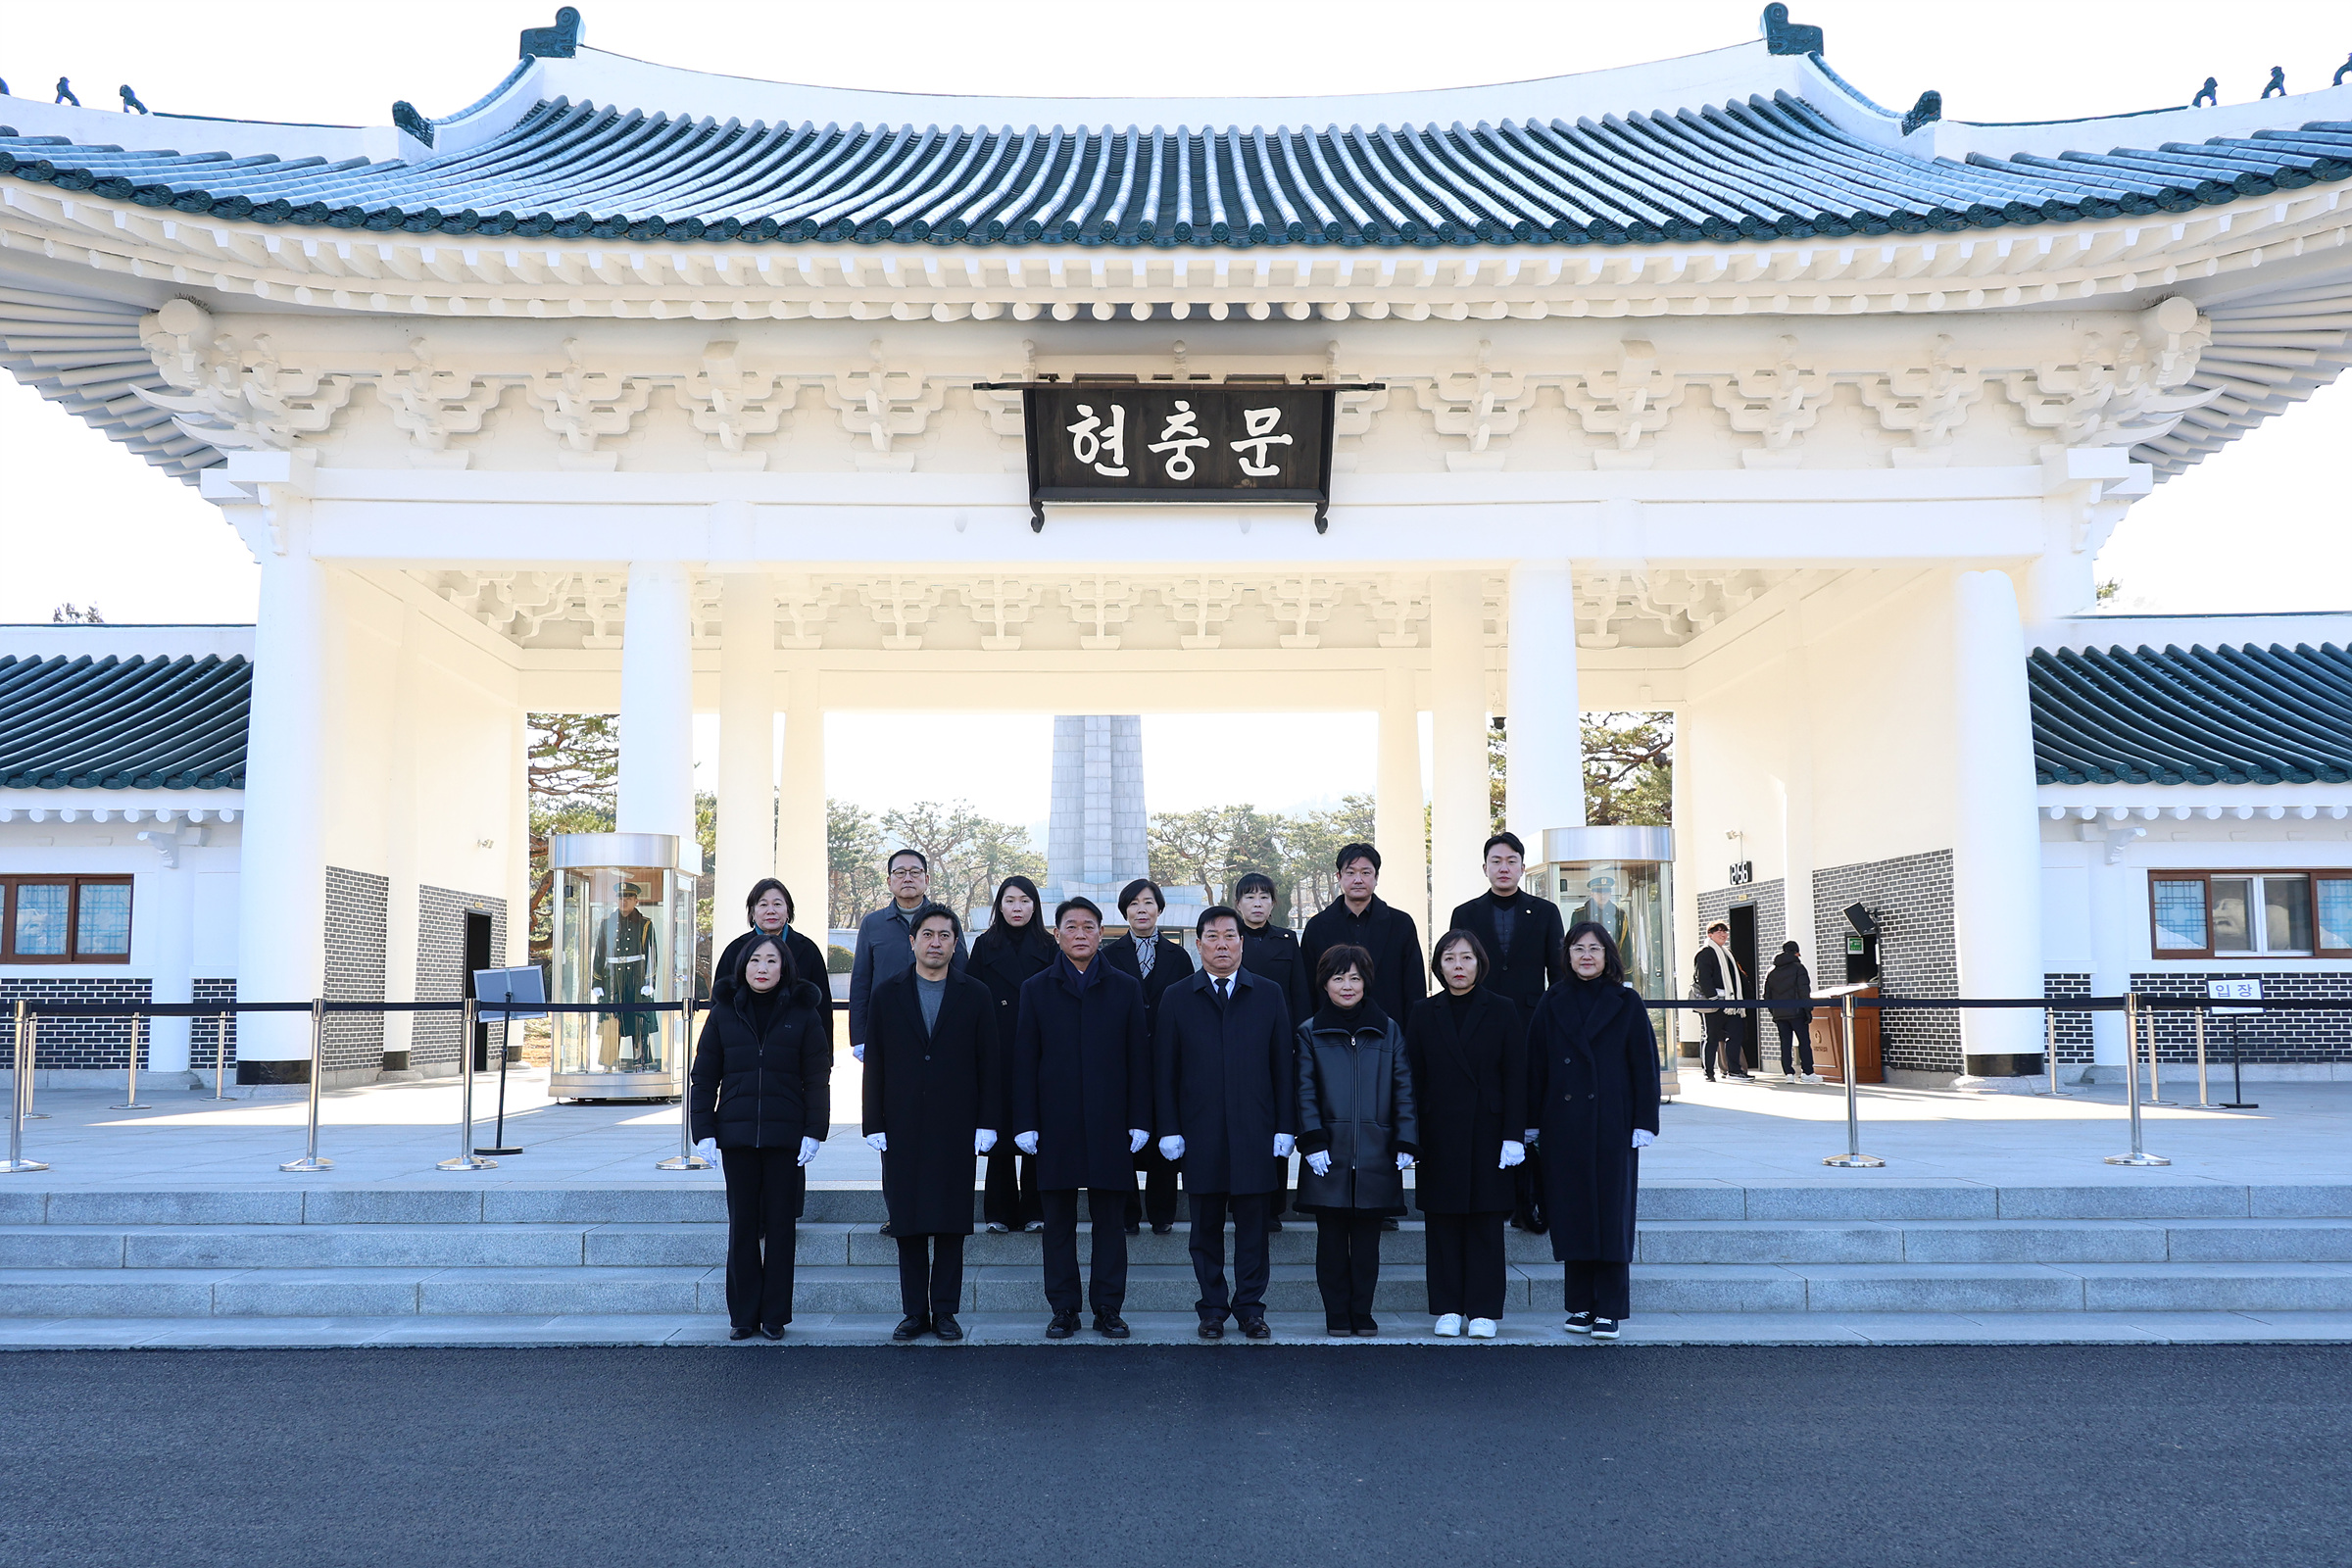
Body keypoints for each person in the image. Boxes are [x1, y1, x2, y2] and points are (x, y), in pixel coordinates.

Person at [1010, 898, 1152, 1340]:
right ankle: (1064, 1308)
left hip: (1110, 1122)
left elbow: (1138, 1059)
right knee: (1058, 1223)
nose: (1080, 934)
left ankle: (1108, 1307)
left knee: (1111, 1221)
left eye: (1089, 926)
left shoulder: (1126, 986)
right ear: (1057, 935)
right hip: (1056, 1123)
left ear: (1100, 933)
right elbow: (1025, 1060)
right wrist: (1025, 1121)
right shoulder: (1036, 987)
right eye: (1070, 926)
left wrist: (1140, 1119)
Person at [1153, 905, 1296, 1340]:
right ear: (1197, 945)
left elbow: (1282, 1067)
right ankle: (1212, 1308)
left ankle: (1251, 1308)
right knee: (1205, 1229)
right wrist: (1169, 1128)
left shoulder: (1268, 993)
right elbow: (1165, 1070)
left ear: (1242, 942)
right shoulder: (1177, 996)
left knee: (1254, 1228)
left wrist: (1285, 1126)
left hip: (1255, 1131)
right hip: (1201, 1133)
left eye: (1230, 936)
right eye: (1212, 937)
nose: (1222, 944)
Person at [861, 905, 1001, 1343]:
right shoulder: (888, 993)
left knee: (950, 1221)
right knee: (907, 1220)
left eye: (944, 935)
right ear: (912, 941)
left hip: (956, 1123)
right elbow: (876, 1064)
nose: (935, 942)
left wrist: (988, 1122)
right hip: (900, 1123)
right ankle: (913, 1313)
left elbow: (989, 1063)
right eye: (928, 934)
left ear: (955, 943)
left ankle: (945, 1312)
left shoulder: (975, 993)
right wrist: (872, 1121)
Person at [687, 933, 831, 1340]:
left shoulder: (803, 1014)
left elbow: (817, 1078)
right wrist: (705, 1132)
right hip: (736, 1133)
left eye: (771, 961)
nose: (762, 969)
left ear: (784, 967)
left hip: (786, 1135)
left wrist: (814, 1131)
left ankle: (774, 1316)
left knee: (782, 1227)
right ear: (743, 967)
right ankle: (743, 1315)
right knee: (744, 1226)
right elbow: (704, 1076)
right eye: (755, 961)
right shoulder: (724, 1013)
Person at [1527, 921, 1662, 1341]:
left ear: (1608, 956)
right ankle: (1581, 1306)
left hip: (1613, 1123)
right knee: (1573, 1213)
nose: (1586, 956)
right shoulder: (1552, 1000)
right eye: (1578, 948)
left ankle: (1611, 1309)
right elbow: (1536, 1066)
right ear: (1566, 956)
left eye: (1595, 949)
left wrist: (1645, 1121)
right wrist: (1530, 1121)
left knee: (1611, 1212)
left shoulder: (1626, 1001)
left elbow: (1645, 1066)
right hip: (1562, 1124)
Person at [1406, 930, 1527, 1340]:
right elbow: (1413, 1079)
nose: (1458, 967)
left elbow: (1515, 1076)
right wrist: (1410, 1136)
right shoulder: (1423, 1012)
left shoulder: (1503, 1009)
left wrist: (1515, 1134)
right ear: (1438, 966)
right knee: (1442, 1221)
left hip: (1489, 1130)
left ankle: (1484, 1309)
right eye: (1450, 959)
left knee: (1485, 1223)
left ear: (1480, 963)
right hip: (1439, 1129)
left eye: (1466, 959)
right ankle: (1447, 1308)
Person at [1294, 944, 1418, 1336]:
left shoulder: (1389, 1029)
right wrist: (1311, 1141)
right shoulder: (1309, 1032)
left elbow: (1404, 1088)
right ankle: (1336, 1313)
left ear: (1366, 982)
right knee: (1330, 1242)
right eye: (1338, 978)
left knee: (1367, 1244)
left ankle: (1361, 1311)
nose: (1347, 986)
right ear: (1324, 983)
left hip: (1375, 1153)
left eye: (1354, 978)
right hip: (1328, 1153)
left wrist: (1405, 1140)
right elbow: (1305, 1091)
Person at [1446, 832, 1564, 1234]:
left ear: (1522, 867)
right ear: (1485, 868)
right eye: (1495, 861)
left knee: (1528, 1111)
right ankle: (1494, 1195)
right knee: (1489, 1110)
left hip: (1532, 1023)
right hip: (1481, 1024)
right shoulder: (1465, 913)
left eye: (1511, 861)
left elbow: (1558, 973)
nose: (1503, 867)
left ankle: (1529, 1201)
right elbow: (1457, 969)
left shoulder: (1546, 912)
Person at [1104, 877, 1194, 1235]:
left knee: (1164, 1128)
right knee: (1122, 1132)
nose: (1142, 909)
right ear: (1125, 911)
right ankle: (1127, 1213)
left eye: (1148, 903)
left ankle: (1162, 1212)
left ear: (1159, 909)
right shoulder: (1108, 955)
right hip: (1122, 1058)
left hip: (1166, 1055)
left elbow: (1189, 1007)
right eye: (1134, 904)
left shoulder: (1179, 955)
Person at [969, 875, 1054, 1233]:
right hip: (997, 1046)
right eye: (1009, 900)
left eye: (1024, 900)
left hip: (1040, 1046)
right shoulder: (984, 945)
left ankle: (1035, 1209)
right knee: (999, 1126)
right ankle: (999, 1211)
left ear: (1034, 906)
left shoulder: (1050, 946)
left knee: (1038, 1129)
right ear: (998, 906)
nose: (1016, 908)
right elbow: (971, 996)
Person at [1234, 870, 1308, 1230]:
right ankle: (1240, 1200)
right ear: (1238, 904)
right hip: (1235, 1048)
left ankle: (1273, 1207)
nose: (1258, 903)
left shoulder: (1287, 940)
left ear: (1274, 904)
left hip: (1278, 1048)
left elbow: (1299, 997)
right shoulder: (1229, 940)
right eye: (1250, 897)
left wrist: (1299, 1044)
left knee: (1277, 1123)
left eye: (1264, 897)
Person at [849, 849, 967, 1064]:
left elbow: (961, 971)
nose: (908, 878)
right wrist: (859, 1038)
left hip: (938, 1026)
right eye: (900, 872)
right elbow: (861, 982)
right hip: (887, 1026)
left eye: (915, 872)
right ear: (889, 880)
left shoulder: (947, 921)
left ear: (926, 879)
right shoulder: (872, 924)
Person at [1302, 844, 1427, 1030]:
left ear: (1376, 877)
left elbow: (1414, 986)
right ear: (1339, 877)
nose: (1358, 880)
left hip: (1388, 1030)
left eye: (1366, 873)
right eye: (1350, 873)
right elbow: (1307, 987)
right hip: (1331, 1033)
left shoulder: (1401, 924)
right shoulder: (1317, 926)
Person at [711, 878, 835, 1038]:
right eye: (763, 905)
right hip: (745, 1043)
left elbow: (823, 1008)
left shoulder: (808, 950)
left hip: (795, 1044)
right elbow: (719, 1006)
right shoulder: (735, 950)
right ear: (752, 912)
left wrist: (824, 1056)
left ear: (788, 910)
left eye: (777, 904)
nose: (771, 911)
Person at [592, 879, 660, 1071]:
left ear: (636, 900)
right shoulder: (607, 923)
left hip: (636, 979)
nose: (624, 901)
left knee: (639, 1021)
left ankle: (642, 1062)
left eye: (629, 898)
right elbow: (599, 954)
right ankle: (608, 1064)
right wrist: (597, 981)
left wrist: (649, 981)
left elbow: (651, 955)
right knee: (611, 1021)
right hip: (613, 978)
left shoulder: (645, 924)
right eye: (621, 897)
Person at [1692, 920, 1751, 1082]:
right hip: (1714, 1003)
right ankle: (1709, 1072)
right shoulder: (1705, 952)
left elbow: (1737, 977)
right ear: (1710, 934)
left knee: (1736, 1035)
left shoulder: (1727, 953)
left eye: (1725, 931)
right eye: (1719, 931)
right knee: (1711, 1037)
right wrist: (1714, 999)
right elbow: (1703, 978)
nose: (1723, 934)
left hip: (1732, 1003)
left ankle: (1734, 1070)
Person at [1763, 941, 1820, 1081]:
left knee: (1785, 1043)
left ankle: (1788, 1073)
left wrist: (1774, 1011)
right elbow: (1804, 990)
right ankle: (1808, 1073)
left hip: (1779, 1014)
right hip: (1797, 1012)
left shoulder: (1772, 971)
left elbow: (1767, 995)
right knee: (1804, 1042)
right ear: (1796, 952)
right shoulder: (1799, 968)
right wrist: (1808, 1009)